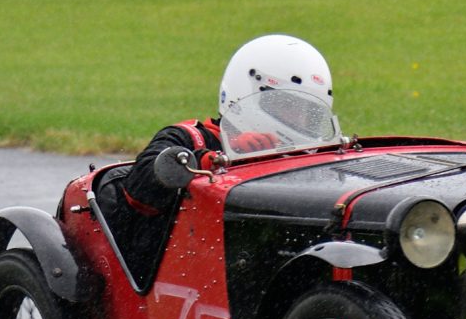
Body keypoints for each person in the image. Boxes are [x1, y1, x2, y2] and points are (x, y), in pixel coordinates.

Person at [102, 35, 341, 283]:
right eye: (288, 107)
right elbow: (142, 188)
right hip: (188, 272)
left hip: (264, 264)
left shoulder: (308, 155)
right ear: (248, 93)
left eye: (309, 113)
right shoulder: (189, 138)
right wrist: (216, 159)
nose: (300, 121)